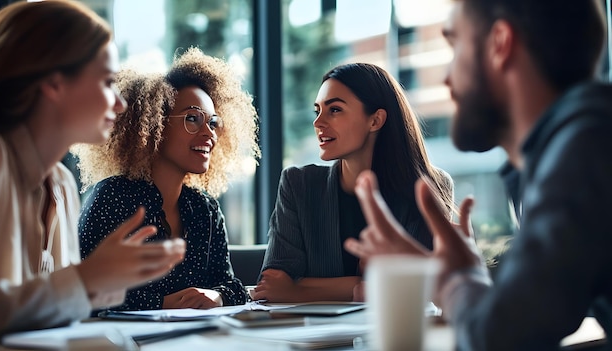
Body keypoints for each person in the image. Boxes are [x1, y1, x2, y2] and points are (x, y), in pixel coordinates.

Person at [345, 0, 612, 350]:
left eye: (455, 44)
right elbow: (535, 314)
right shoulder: (578, 145)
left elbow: (502, 337)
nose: (446, 77)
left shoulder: (584, 149)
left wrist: (451, 279)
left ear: (500, 43)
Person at [0, 1, 185, 341]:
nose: (120, 103)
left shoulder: (62, 184)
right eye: (107, 81)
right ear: (54, 82)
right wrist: (87, 279)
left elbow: (50, 319)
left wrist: (106, 279)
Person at [73, 47, 260, 310]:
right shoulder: (112, 198)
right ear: (153, 126)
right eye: (192, 119)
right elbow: (85, 292)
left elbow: (230, 285)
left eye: (213, 122)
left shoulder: (205, 208)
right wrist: (162, 303)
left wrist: (217, 296)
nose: (209, 134)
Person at [253, 63, 454, 302]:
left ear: (375, 120)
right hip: (314, 335)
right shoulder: (298, 184)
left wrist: (298, 290)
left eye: (334, 110)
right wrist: (364, 286)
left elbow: (417, 284)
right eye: (317, 111)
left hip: (395, 332)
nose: (318, 123)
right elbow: (272, 283)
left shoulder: (430, 186)